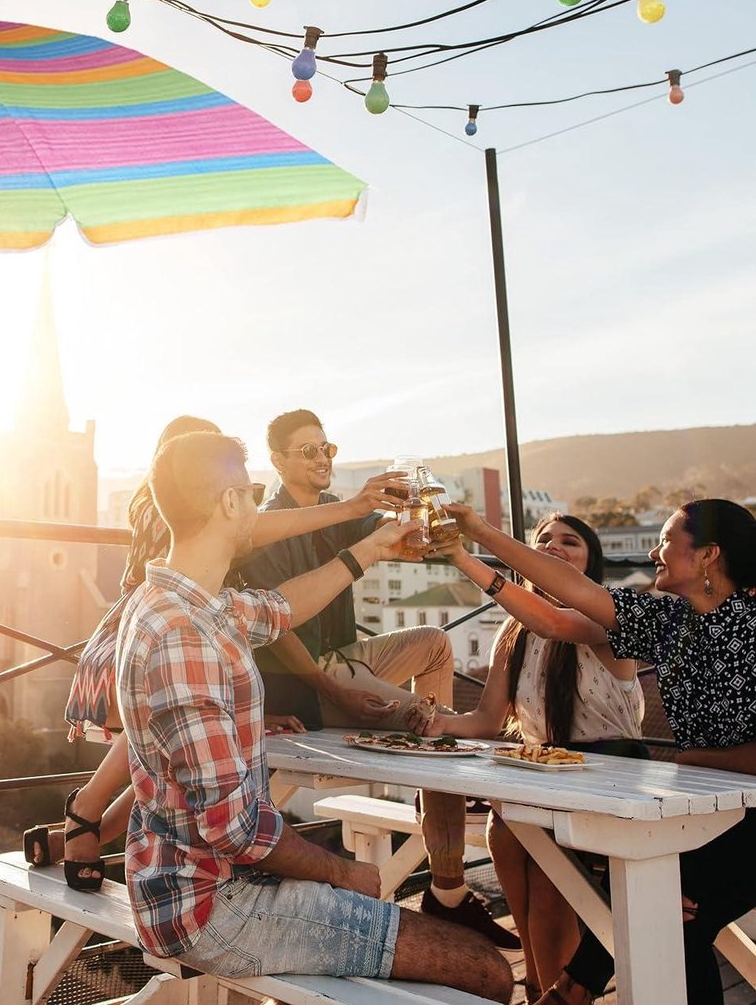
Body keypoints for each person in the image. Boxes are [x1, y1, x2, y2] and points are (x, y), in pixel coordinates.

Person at [113, 430, 513, 998]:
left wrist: (374, 547)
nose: (257, 503)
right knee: (485, 970)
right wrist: (345, 873)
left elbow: (280, 608)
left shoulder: (181, 603)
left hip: (178, 881)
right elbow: (233, 829)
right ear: (230, 503)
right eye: (249, 492)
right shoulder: (186, 637)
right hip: (215, 907)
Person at [25, 414, 405, 891]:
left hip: (193, 620)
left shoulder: (188, 535)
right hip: (154, 627)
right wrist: (350, 509)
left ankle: (88, 828)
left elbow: (271, 595)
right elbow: (260, 530)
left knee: (165, 762)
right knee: (159, 741)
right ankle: (85, 811)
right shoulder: (165, 512)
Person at [446, 498, 756, 1005]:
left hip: (739, 822)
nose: (655, 552)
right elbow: (562, 606)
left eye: (666, 541)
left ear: (707, 556)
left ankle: (568, 991)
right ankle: (570, 990)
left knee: (664, 907)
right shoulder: (672, 621)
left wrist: (697, 760)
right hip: (714, 814)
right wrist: (479, 537)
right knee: (668, 913)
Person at [240, 409, 520, 948]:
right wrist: (335, 691)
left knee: (435, 643)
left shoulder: (331, 510)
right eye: (308, 452)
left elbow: (387, 535)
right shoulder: (271, 523)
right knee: (431, 729)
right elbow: (275, 630)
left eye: (328, 449)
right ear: (277, 461)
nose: (322, 459)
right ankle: (449, 881)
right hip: (303, 676)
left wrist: (421, 524)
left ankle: (433, 749)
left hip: (346, 656)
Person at [429, 513, 646, 1001]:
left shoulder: (605, 619)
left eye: (570, 542)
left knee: (549, 876)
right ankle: (536, 982)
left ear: (590, 564)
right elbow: (486, 720)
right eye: (543, 539)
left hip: (607, 775)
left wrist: (464, 555)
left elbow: (551, 620)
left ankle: (556, 990)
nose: (553, 546)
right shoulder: (513, 631)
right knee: (503, 833)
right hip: (538, 774)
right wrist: (437, 722)